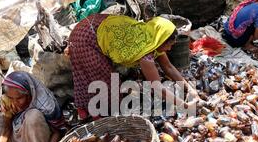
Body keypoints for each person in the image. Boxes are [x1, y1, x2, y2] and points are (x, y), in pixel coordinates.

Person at [67, 14, 200, 119]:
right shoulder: (145, 54)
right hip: (85, 37)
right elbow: (158, 88)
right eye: (169, 45)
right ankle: (97, 115)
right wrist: (185, 106)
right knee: (104, 80)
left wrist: (189, 88)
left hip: (95, 26)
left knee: (89, 74)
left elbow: (168, 66)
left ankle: (84, 108)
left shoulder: (152, 37)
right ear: (161, 40)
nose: (170, 49)